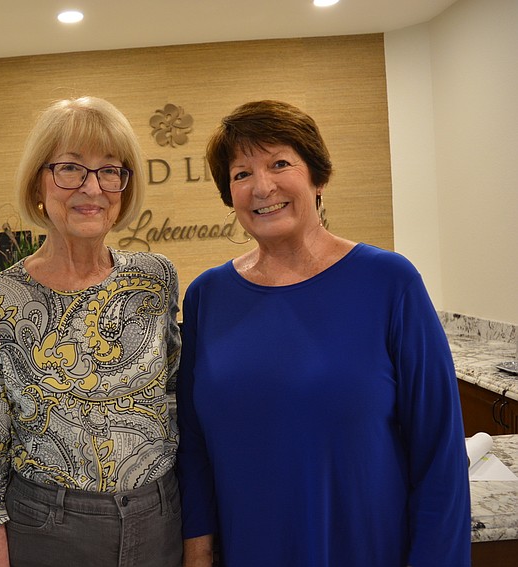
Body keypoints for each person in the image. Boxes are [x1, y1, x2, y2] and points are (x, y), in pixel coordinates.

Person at [177, 100, 470, 567]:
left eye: (279, 163)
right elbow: (192, 443)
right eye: (241, 173)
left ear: (317, 176)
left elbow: (439, 452)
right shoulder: (207, 296)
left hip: (365, 545)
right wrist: (198, 548)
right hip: (248, 547)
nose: (262, 186)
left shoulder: (389, 282)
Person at [0, 96, 182, 567]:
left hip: (158, 518)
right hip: (48, 527)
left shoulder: (156, 278)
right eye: (71, 169)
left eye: (110, 170)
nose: (93, 188)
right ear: (39, 183)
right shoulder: (2, 298)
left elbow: (173, 400)